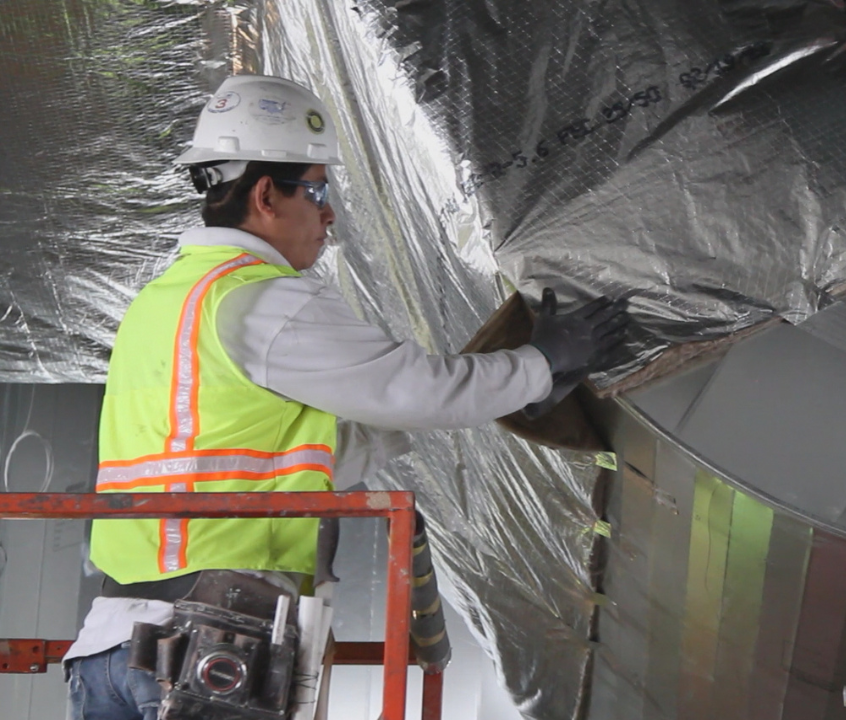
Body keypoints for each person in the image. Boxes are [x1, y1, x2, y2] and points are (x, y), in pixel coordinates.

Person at [62, 74, 628, 720]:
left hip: (111, 643)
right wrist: (541, 364)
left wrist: (450, 408)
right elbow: (412, 388)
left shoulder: (164, 304)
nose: (329, 214)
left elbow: (285, 459)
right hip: (210, 639)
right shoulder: (264, 299)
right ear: (268, 195)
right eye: (319, 190)